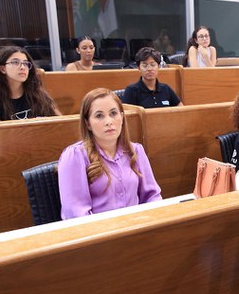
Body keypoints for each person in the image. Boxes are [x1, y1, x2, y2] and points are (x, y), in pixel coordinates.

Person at [58, 88, 162, 219]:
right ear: (87, 123)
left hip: (138, 226)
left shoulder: (136, 151)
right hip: (99, 231)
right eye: (99, 116)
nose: (108, 122)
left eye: (113, 113)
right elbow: (76, 214)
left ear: (122, 117)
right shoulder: (74, 156)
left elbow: (152, 197)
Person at [0, 46, 61, 122]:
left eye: (26, 63)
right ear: (3, 69)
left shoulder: (38, 93)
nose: (22, 67)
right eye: (15, 62)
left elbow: (60, 121)